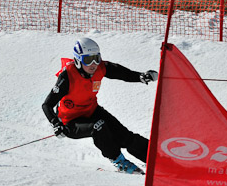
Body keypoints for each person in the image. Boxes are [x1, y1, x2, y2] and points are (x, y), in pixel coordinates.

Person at [42, 37, 158, 174]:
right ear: (78, 60)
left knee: (125, 136)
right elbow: (47, 105)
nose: (93, 64)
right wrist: (56, 123)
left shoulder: (100, 68)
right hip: (71, 122)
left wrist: (140, 76)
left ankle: (155, 158)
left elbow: (121, 73)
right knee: (99, 126)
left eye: (96, 58)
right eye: (87, 60)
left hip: (91, 111)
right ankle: (119, 161)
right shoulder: (67, 76)